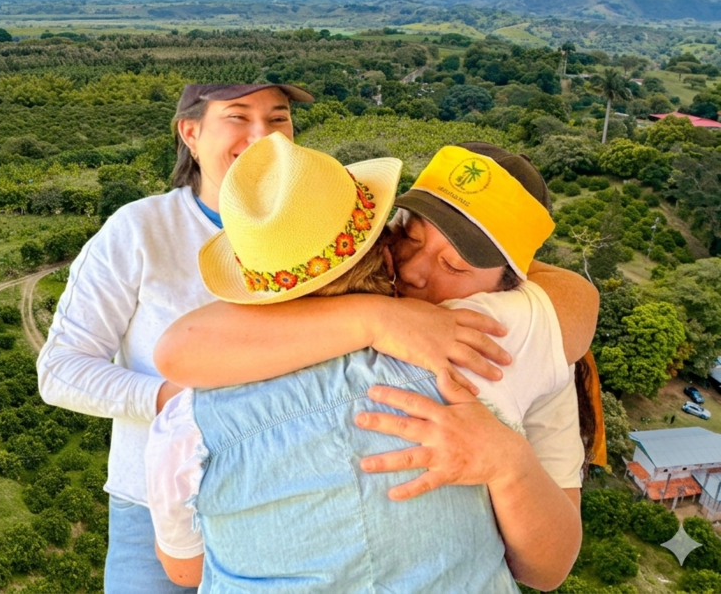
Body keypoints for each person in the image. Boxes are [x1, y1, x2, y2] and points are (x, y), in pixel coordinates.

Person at [36, 84, 512, 593]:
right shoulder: (138, 230)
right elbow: (60, 369)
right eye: (238, 117)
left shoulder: (324, 216)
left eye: (278, 118)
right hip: (154, 502)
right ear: (190, 132)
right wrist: (188, 403)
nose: (261, 136)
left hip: (299, 504)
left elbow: (544, 287)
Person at [152, 140, 599, 590]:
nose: (414, 272)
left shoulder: (497, 338)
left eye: (453, 265)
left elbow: (548, 568)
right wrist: (376, 318)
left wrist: (510, 465)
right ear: (382, 234)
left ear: (516, 284)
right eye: (409, 236)